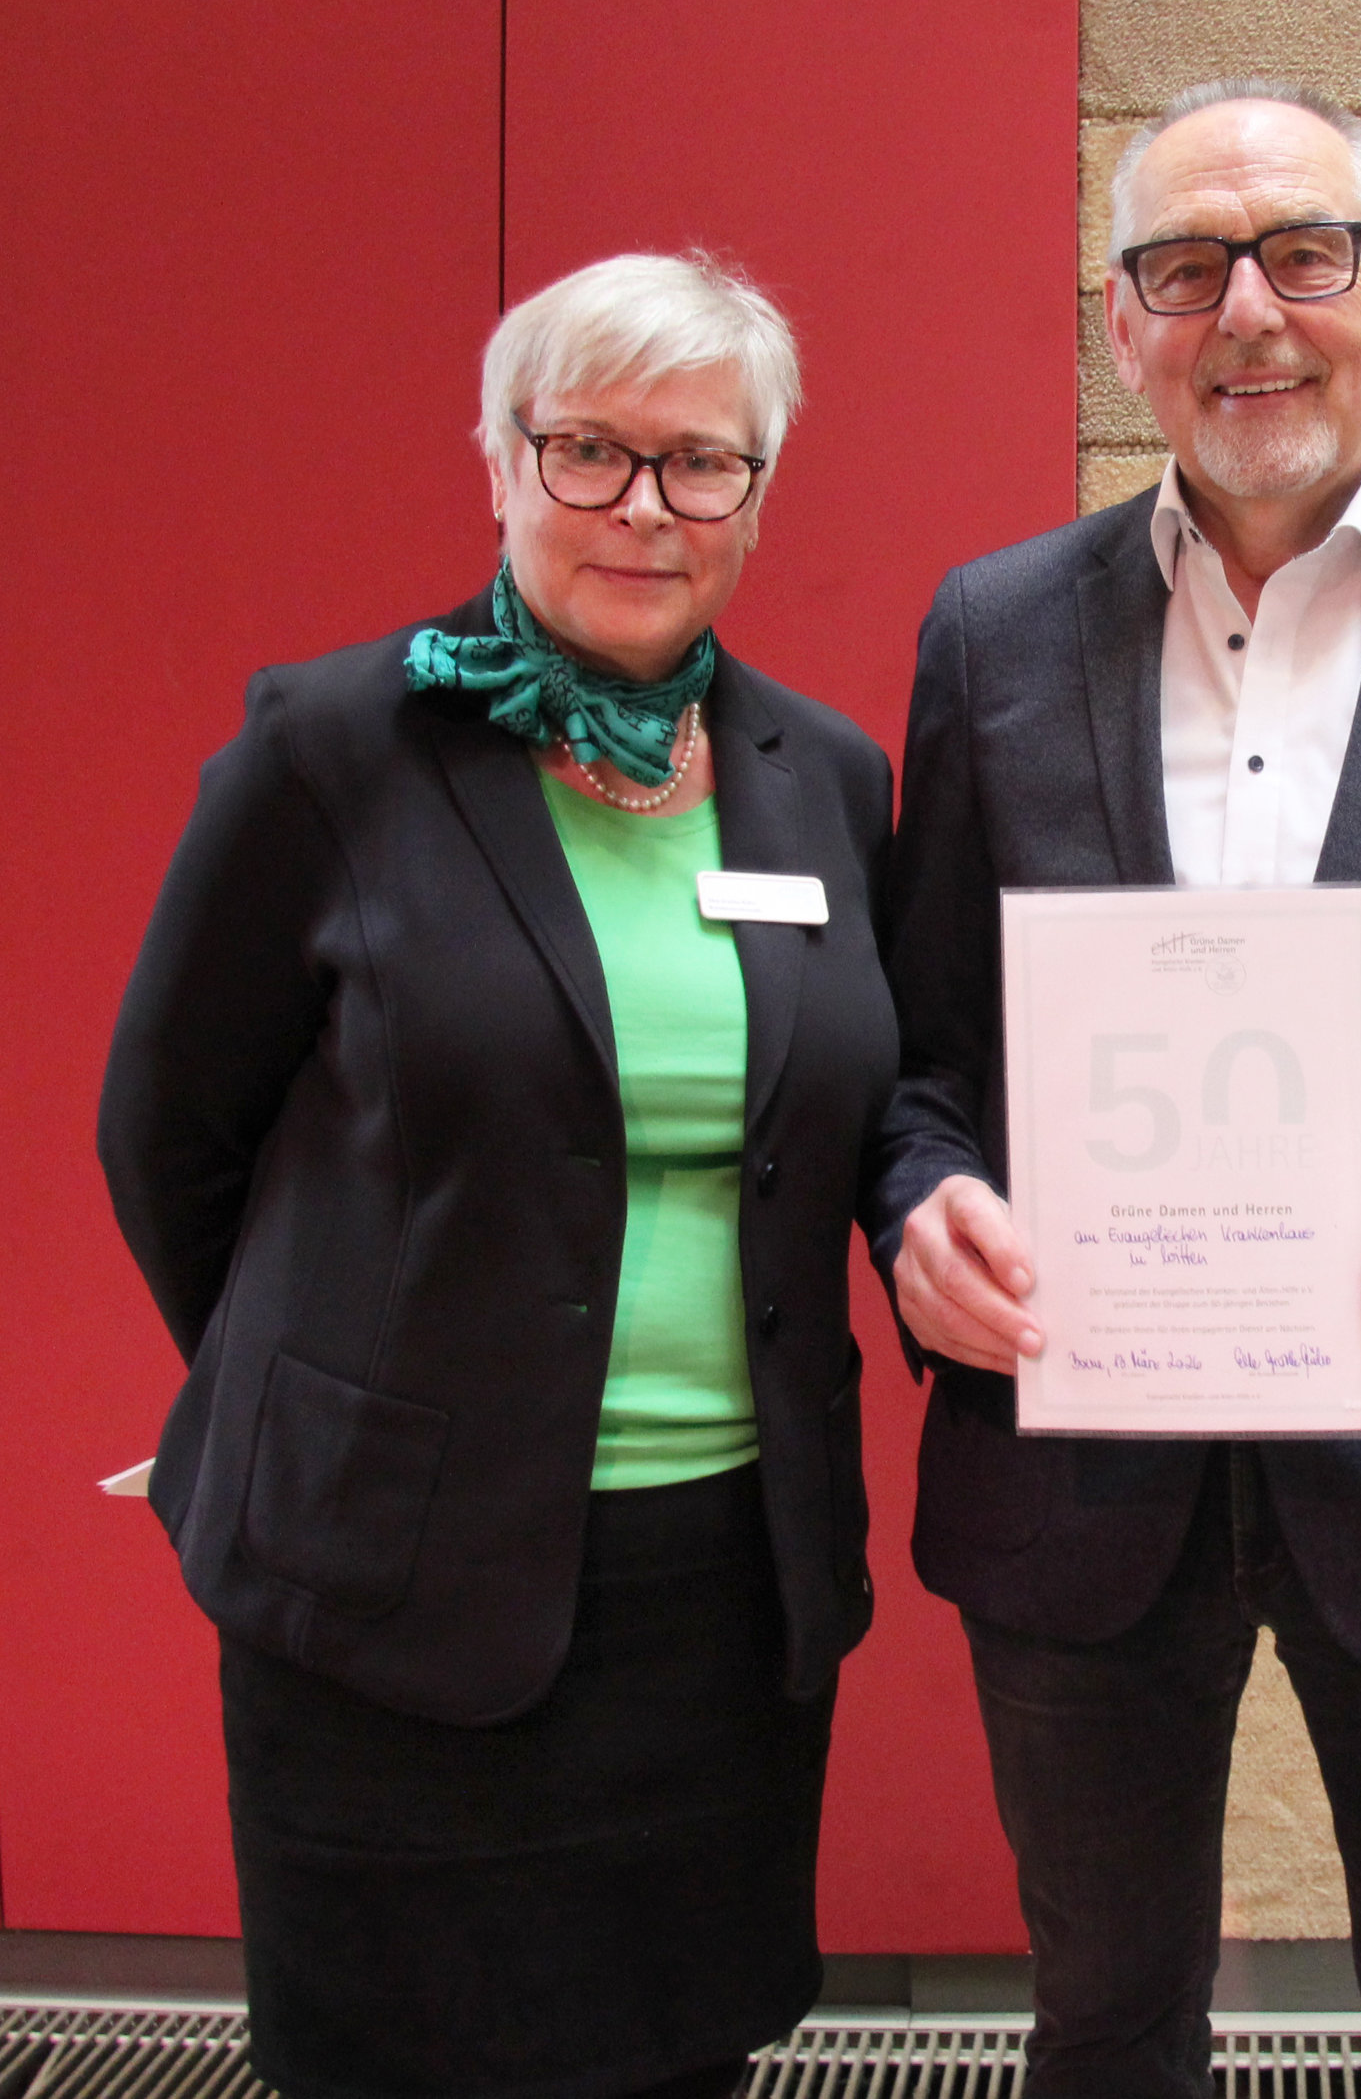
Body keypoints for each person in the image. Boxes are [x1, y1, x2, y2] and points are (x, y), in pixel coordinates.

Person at [871, 80, 1361, 2098]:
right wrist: (913, 1202)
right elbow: (914, 1054)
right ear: (1115, 322)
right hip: (1073, 1468)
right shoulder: (985, 632)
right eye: (1181, 266)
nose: (1248, 309)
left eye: (1302, 252)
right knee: (1102, 2025)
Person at [97, 252, 896, 2099]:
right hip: (392, 1586)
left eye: (701, 462)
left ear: (758, 498)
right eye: (588, 451)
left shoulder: (819, 781)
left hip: (719, 1583)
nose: (644, 506)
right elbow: (169, 1127)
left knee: (678, 2051)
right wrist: (334, 1381)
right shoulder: (333, 751)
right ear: (499, 467)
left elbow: (857, 1120)